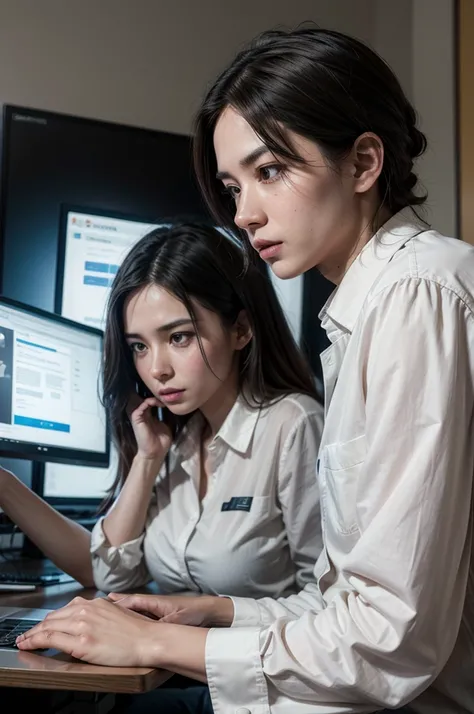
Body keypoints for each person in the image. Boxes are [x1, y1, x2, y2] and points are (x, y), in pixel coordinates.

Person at [16, 26, 474, 714]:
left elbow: (392, 640)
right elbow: (341, 603)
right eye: (233, 186)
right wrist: (216, 613)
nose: (244, 213)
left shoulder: (416, 295)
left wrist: (160, 647)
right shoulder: (365, 313)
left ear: (363, 163)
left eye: (269, 172)